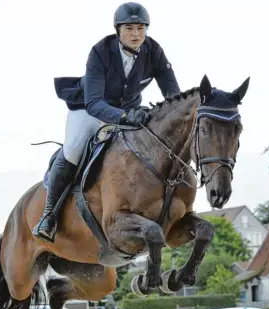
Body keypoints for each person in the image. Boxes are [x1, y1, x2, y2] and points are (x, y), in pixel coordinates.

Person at [33, 2, 181, 243]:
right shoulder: (100, 51)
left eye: (141, 28)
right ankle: (49, 215)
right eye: (129, 28)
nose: (136, 34)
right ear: (118, 30)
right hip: (89, 109)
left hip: (129, 110)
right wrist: (124, 117)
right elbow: (94, 103)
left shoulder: (154, 51)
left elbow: (173, 96)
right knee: (74, 148)